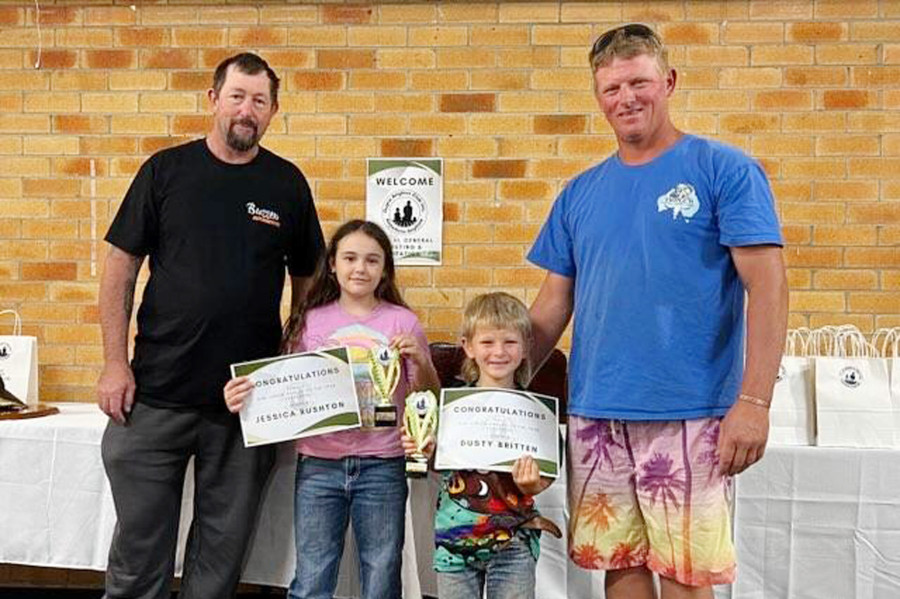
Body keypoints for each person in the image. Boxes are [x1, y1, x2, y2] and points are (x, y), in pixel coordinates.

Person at [527, 24, 788, 599]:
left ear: (668, 81)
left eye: (639, 82)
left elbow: (768, 288)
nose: (626, 98)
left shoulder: (725, 170)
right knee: (617, 564)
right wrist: (495, 391)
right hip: (597, 410)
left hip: (691, 411)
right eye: (612, 88)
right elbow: (550, 307)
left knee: (685, 574)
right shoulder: (579, 193)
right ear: (598, 97)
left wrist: (754, 402)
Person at [96, 53, 324, 599]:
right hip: (155, 394)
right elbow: (120, 269)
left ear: (273, 111)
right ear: (213, 99)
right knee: (138, 555)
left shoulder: (287, 184)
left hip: (246, 405)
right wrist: (114, 364)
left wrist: (292, 358)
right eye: (237, 96)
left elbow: (310, 279)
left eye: (260, 101)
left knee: (220, 560)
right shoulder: (165, 172)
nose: (247, 110)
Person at [226, 219, 440, 599]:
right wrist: (245, 396)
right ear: (333, 265)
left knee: (382, 570)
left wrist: (421, 362)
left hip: (383, 463)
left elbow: (427, 398)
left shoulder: (403, 321)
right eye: (350, 258)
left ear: (385, 269)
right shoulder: (310, 321)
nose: (360, 268)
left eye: (372, 260)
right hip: (319, 464)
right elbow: (284, 387)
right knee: (313, 571)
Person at [402, 292, 561, 599]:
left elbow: (544, 477)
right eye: (487, 342)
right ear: (468, 346)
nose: (498, 352)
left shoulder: (537, 412)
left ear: (526, 347)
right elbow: (437, 462)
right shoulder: (451, 405)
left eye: (510, 342)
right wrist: (425, 449)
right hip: (455, 542)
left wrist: (531, 485)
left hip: (514, 542)